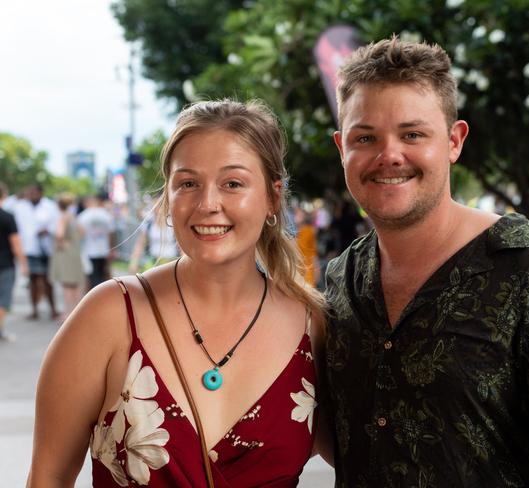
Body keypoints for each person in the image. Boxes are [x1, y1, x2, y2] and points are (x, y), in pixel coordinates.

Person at [324, 37, 529, 487]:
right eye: (366, 137)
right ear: (342, 146)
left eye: (412, 134)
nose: (389, 155)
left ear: (455, 141)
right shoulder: (343, 279)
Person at [28, 99, 328, 487]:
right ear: (168, 199)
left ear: (273, 197)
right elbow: (46, 479)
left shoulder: (312, 327)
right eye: (188, 183)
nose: (207, 204)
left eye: (232, 184)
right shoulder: (108, 315)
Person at [12, 184, 61, 320]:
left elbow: (56, 224)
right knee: (32, 279)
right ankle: (34, 309)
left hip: (46, 248)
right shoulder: (21, 207)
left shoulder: (49, 206)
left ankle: (53, 308)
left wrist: (47, 230)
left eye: (34, 193)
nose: (32, 195)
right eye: (30, 193)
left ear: (40, 193)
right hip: (29, 248)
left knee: (48, 280)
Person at [48, 193, 87, 321]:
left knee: (67, 285)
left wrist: (62, 244)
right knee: (76, 284)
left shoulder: (63, 218)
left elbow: (59, 234)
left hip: (66, 254)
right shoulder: (73, 217)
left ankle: (68, 313)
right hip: (75, 252)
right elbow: (83, 233)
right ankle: (77, 312)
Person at [0, 182, 28, 341]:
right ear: (3, 195)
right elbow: (16, 243)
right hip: (5, 264)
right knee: (4, 299)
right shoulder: (8, 217)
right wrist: (23, 264)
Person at [77, 194, 116, 289]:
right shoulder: (106, 215)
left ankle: (96, 297)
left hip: (89, 250)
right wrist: (112, 248)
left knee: (92, 277)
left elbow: (80, 234)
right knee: (104, 275)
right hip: (104, 250)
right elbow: (111, 233)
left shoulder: (83, 216)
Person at [128, 208, 179, 273]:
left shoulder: (174, 223)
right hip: (153, 262)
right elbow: (140, 244)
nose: (159, 209)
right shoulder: (149, 224)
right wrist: (134, 262)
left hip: (171, 262)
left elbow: (181, 246)